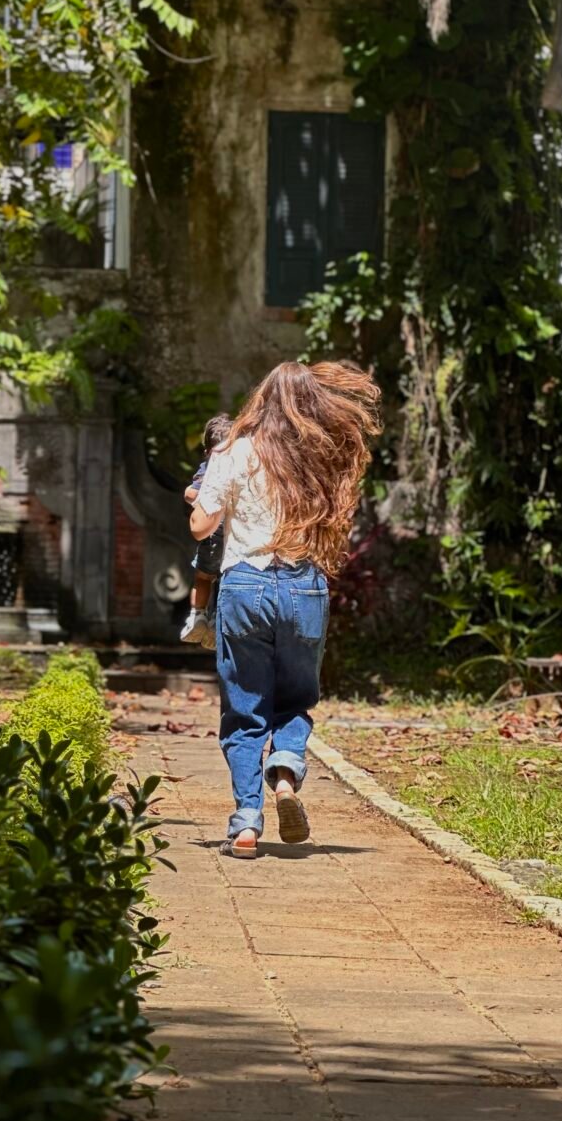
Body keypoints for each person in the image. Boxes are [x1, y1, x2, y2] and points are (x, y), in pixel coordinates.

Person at [189, 361, 381, 859]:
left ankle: (246, 823)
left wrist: (202, 499)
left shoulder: (235, 450)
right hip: (305, 587)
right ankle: (285, 776)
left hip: (245, 586)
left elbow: (199, 526)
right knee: (294, 699)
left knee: (245, 707)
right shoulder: (318, 455)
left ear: (263, 400)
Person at [179, 413, 233, 649]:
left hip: (214, 534)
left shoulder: (209, 468)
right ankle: (209, 620)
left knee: (202, 577)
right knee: (220, 579)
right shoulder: (239, 464)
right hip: (228, 536)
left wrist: (208, 500)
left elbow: (189, 493)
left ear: (207, 450)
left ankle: (198, 615)